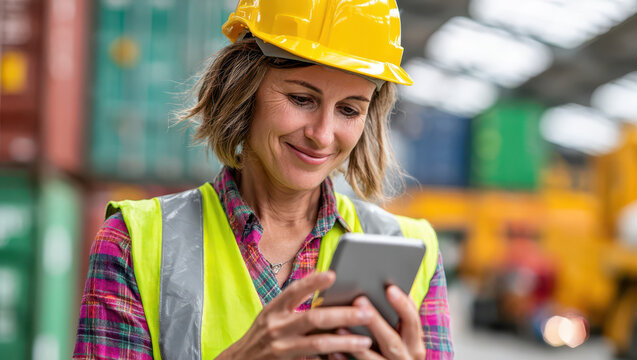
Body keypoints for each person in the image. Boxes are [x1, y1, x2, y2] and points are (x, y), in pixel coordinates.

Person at [74, 1, 453, 359]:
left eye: (349, 110)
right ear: (242, 87)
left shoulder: (414, 253)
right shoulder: (135, 243)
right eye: (302, 99)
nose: (323, 135)